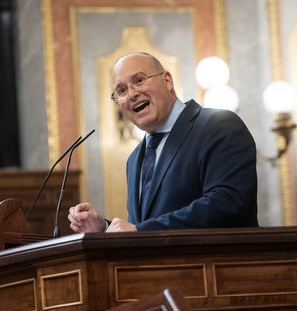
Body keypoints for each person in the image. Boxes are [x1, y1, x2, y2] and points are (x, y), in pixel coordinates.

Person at [68, 52, 258, 232]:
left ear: (167, 81)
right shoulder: (134, 159)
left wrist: (141, 231)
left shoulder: (218, 124)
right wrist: (105, 228)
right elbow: (142, 226)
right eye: (122, 90)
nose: (132, 94)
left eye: (139, 80)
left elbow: (228, 202)